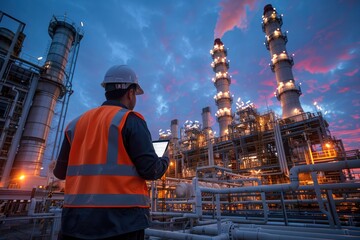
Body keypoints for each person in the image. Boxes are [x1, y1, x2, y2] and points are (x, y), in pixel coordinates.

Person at [53, 65, 169, 240]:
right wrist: (166, 159)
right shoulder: (130, 120)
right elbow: (150, 170)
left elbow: (59, 172)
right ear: (130, 93)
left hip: (74, 222)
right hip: (121, 223)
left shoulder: (75, 124)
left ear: (106, 90)